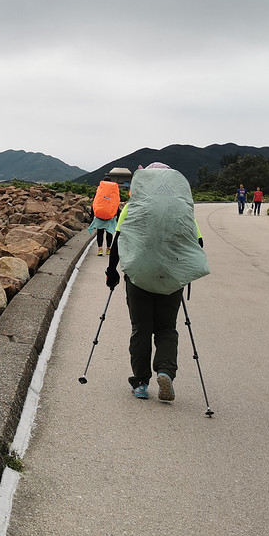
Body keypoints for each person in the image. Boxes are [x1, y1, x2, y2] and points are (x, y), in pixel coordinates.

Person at [106, 163, 209, 402]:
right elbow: (198, 244)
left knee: (141, 328)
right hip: (171, 279)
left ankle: (141, 383)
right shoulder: (181, 209)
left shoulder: (133, 207)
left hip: (139, 276)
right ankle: (165, 371)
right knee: (166, 328)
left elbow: (119, 240)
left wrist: (112, 271)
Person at [88, 177, 121, 256]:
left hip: (99, 215)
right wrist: (118, 216)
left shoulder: (100, 191)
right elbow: (116, 203)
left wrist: (92, 215)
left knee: (100, 232)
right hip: (110, 216)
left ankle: (100, 249)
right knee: (109, 232)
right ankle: (108, 249)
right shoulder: (113, 191)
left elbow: (94, 203)